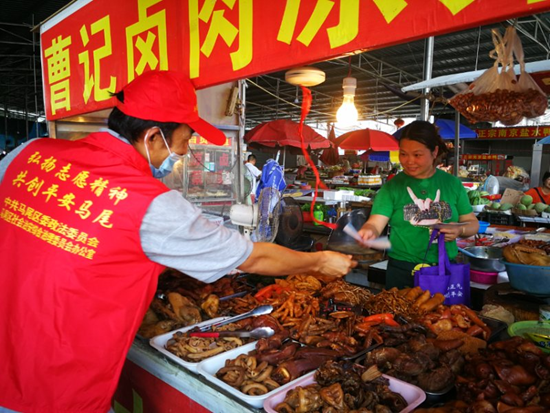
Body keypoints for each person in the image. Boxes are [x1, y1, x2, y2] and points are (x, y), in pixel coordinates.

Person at [0, 70, 356, 413]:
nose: (184, 153)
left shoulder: (27, 153)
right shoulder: (151, 203)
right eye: (185, 141)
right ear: (154, 136)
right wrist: (319, 262)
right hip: (58, 383)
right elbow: (253, 260)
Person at [358, 121, 479, 289]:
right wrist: (368, 232)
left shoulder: (452, 184)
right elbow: (375, 222)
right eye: (403, 154)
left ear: (434, 152)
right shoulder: (393, 186)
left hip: (443, 268)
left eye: (417, 155)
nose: (409, 161)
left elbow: (473, 223)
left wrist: (460, 229)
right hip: (402, 269)